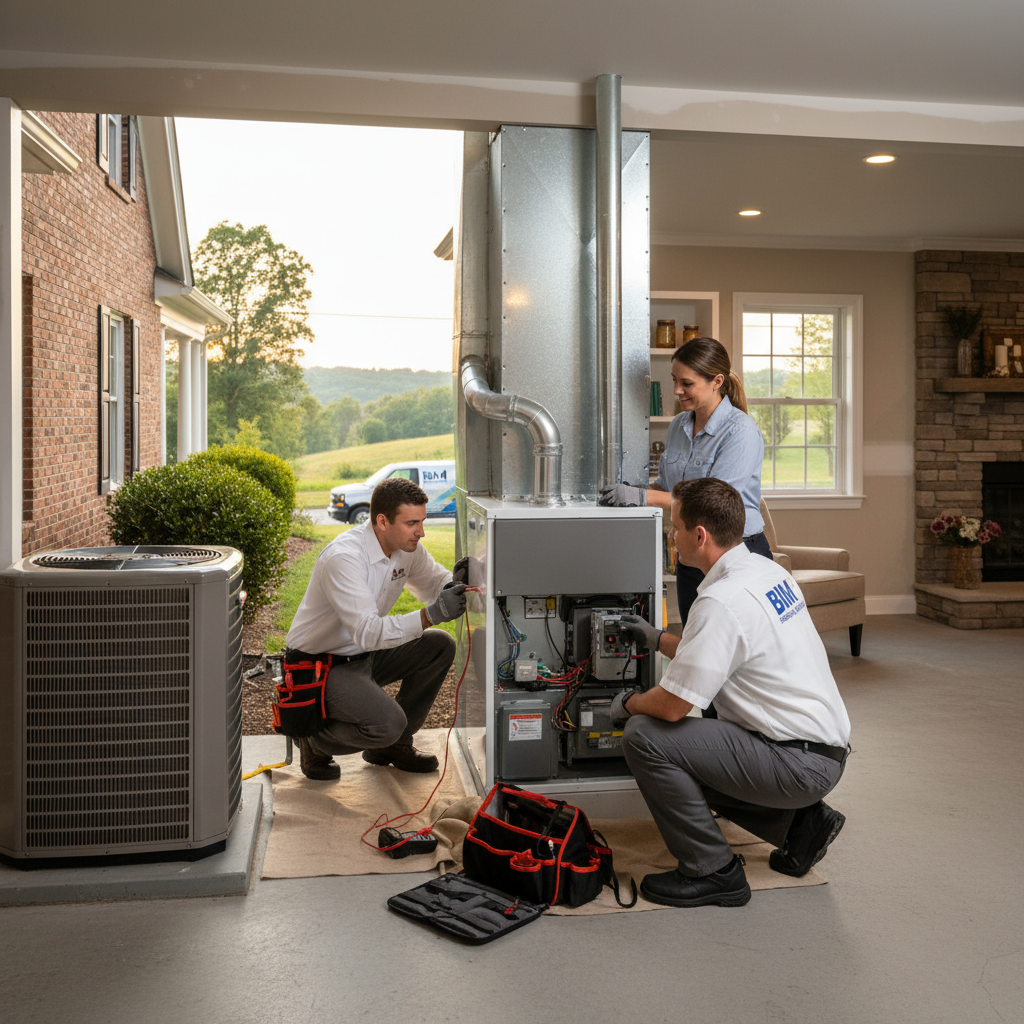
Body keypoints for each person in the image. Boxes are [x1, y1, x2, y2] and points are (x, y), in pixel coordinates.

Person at [610, 477, 851, 908]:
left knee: (646, 738)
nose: (671, 536)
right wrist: (656, 638)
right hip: (822, 750)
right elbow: (721, 651)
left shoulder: (719, 601)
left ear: (699, 536)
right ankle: (801, 825)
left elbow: (670, 707)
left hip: (796, 762)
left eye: (675, 526)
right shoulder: (765, 570)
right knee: (697, 745)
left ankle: (714, 870)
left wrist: (628, 704)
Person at [284, 476, 468, 780]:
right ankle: (313, 737)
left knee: (440, 645)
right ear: (382, 521)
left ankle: (392, 747)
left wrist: (457, 582)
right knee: (387, 724)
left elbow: (434, 582)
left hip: (364, 654)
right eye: (412, 523)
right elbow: (368, 632)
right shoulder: (344, 558)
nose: (421, 532)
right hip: (321, 666)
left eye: (422, 521)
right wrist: (430, 615)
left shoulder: (407, 549)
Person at [599, 337, 769, 627]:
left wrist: (642, 498)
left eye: (687, 384)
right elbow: (667, 486)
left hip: (736, 551)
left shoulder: (740, 431)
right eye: (675, 380)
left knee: (737, 643)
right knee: (695, 635)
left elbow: (712, 503)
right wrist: (634, 491)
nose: (677, 390)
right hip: (691, 551)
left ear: (716, 381)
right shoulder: (679, 424)